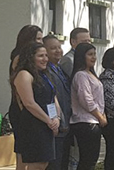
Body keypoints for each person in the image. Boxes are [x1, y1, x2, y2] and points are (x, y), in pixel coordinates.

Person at [11, 43, 61, 170]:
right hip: (33, 125)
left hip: (47, 123)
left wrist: (56, 118)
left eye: (45, 55)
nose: (45, 59)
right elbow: (29, 103)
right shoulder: (24, 74)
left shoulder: (44, 75)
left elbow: (53, 98)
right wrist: (48, 120)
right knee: (36, 164)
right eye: (40, 56)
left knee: (44, 163)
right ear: (30, 57)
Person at [69, 43, 104, 170]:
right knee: (87, 160)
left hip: (93, 121)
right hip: (85, 122)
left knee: (91, 160)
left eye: (94, 54)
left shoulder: (91, 74)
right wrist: (100, 116)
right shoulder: (81, 75)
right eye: (90, 54)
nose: (93, 57)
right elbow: (86, 100)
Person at [43, 36, 73, 170]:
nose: (57, 51)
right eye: (52, 48)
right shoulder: (46, 72)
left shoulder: (59, 68)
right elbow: (50, 99)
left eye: (59, 47)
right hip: (56, 125)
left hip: (66, 123)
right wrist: (57, 120)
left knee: (63, 162)